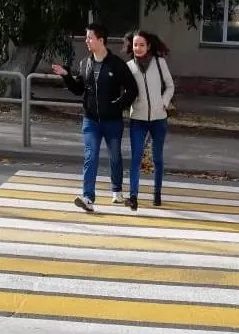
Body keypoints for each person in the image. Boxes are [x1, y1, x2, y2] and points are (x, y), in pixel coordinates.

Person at [52, 23, 138, 213]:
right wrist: (66, 76)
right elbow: (79, 90)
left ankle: (117, 189)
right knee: (90, 156)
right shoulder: (85, 63)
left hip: (112, 121)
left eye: (90, 38)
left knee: (115, 156)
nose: (87, 41)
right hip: (91, 120)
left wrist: (118, 105)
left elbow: (132, 89)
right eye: (86, 38)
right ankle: (88, 198)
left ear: (101, 40)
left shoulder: (117, 64)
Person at [123, 29, 175, 211]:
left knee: (157, 158)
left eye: (141, 45)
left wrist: (164, 102)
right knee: (136, 158)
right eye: (135, 45)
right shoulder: (129, 66)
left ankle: (157, 193)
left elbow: (170, 86)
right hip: (137, 118)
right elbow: (126, 91)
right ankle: (133, 197)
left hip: (159, 119)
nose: (138, 48)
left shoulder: (160, 63)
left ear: (149, 46)